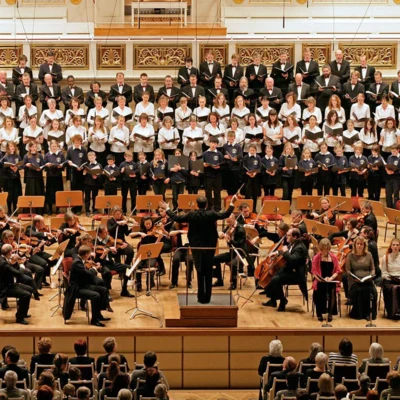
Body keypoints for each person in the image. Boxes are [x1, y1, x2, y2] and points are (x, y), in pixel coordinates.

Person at [160, 194, 237, 304]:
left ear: (196, 205)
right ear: (206, 205)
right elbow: (225, 214)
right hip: (210, 246)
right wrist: (232, 203)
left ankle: (201, 298)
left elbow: (176, 218)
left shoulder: (192, 214)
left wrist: (167, 208)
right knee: (208, 270)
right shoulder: (211, 214)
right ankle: (208, 298)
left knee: (200, 270)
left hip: (196, 246)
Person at [65, 245, 111, 327]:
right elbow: (88, 274)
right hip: (77, 288)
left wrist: (91, 267)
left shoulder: (80, 260)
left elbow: (84, 273)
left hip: (82, 284)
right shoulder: (77, 263)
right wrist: (95, 269)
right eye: (89, 254)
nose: (90, 255)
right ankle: (94, 320)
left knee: (103, 290)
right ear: (86, 254)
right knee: (95, 295)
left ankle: (98, 314)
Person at [263, 228, 308, 312]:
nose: (286, 237)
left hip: (297, 274)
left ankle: (282, 300)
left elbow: (292, 259)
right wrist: (276, 253)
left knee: (275, 279)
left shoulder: (300, 248)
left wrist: (285, 252)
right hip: (289, 270)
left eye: (288, 235)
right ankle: (273, 300)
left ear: (295, 237)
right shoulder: (293, 243)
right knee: (272, 276)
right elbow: (285, 251)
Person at [345, 236, 377, 320]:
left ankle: (369, 313)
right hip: (355, 282)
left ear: (364, 245)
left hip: (367, 280)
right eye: (358, 244)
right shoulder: (350, 256)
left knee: (372, 290)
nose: (359, 246)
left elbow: (372, 268)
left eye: (361, 244)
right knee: (359, 290)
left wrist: (372, 275)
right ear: (355, 245)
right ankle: (359, 313)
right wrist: (353, 279)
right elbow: (348, 271)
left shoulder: (369, 255)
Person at [0, 245, 31, 325]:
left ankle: (23, 312)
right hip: (6, 288)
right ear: (10, 252)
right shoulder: (3, 263)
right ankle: (20, 318)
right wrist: (21, 264)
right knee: (26, 295)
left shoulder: (3, 259)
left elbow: (9, 267)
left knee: (29, 289)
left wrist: (13, 262)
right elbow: (19, 274)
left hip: (10, 284)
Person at [311, 239, 341, 322]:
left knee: (332, 290)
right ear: (320, 248)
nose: (325, 250)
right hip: (320, 280)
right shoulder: (316, 258)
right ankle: (319, 313)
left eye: (327, 248)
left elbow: (337, 271)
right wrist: (322, 279)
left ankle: (330, 312)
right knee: (319, 290)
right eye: (324, 249)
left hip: (330, 280)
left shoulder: (333, 257)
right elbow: (314, 272)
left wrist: (331, 278)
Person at [381, 239, 400, 319]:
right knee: (394, 288)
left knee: (397, 287)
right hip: (389, 280)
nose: (395, 247)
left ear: (399, 247)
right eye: (393, 245)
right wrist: (389, 277)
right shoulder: (386, 257)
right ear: (391, 246)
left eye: (397, 245)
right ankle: (393, 312)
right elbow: (384, 272)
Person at [385, 144, 400, 209]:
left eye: (394, 151)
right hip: (389, 178)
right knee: (388, 194)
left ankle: (395, 209)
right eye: (392, 151)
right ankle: (389, 209)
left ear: (398, 150)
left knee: (396, 195)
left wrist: (394, 172)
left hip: (397, 179)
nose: (392, 153)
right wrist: (387, 170)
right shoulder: (389, 157)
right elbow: (387, 165)